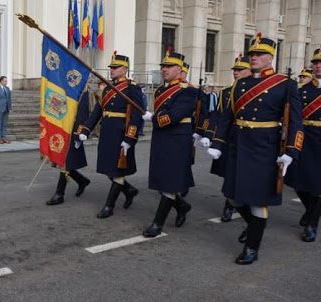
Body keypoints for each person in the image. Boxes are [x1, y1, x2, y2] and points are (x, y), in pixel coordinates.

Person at [206, 33, 303, 264]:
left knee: (258, 200)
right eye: (252, 54)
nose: (254, 57)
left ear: (271, 57)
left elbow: (295, 122)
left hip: (264, 147)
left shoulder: (285, 84)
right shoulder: (240, 84)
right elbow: (227, 117)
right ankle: (255, 227)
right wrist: (218, 143)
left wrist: (291, 151)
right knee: (234, 197)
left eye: (259, 54)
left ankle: (252, 248)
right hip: (239, 144)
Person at [78, 52, 144, 218]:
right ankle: (129, 190)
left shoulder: (131, 88)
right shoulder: (107, 88)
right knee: (109, 169)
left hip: (120, 134)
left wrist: (130, 138)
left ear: (125, 69)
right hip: (107, 133)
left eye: (115, 68)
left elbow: (136, 114)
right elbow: (98, 111)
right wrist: (86, 129)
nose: (112, 70)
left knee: (117, 171)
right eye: (111, 68)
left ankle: (109, 206)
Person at [141, 49, 197, 238]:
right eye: (163, 66)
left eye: (169, 66)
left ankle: (157, 224)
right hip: (161, 138)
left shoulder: (188, 91)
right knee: (162, 179)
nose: (164, 69)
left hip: (177, 139)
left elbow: (175, 115)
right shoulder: (160, 90)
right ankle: (182, 206)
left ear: (180, 70)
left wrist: (154, 118)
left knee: (170, 183)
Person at [202, 53, 252, 223]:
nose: (235, 73)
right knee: (228, 174)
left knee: (246, 175)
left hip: (248, 139)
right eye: (235, 70)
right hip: (227, 138)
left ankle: (248, 209)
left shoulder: (255, 92)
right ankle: (230, 205)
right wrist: (209, 135)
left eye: (240, 69)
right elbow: (217, 116)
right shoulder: (225, 93)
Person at [285, 48, 321, 242]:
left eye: (320, 63)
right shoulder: (303, 90)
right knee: (297, 180)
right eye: (315, 62)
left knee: (318, 185)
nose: (318, 65)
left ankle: (312, 224)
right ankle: (310, 211)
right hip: (304, 137)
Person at [46, 85, 91, 205]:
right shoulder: (67, 90)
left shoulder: (82, 93)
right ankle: (82, 180)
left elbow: (82, 115)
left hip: (73, 133)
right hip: (63, 130)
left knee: (65, 163)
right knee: (64, 162)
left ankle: (59, 194)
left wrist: (78, 135)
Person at [0, 76, 12, 144]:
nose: (6, 82)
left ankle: (4, 137)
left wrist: (10, 108)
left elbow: (9, 99)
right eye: (4, 81)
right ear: (1, 81)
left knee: (4, 124)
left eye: (6, 81)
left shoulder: (7, 89)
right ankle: (0, 138)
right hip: (0, 109)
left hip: (6, 109)